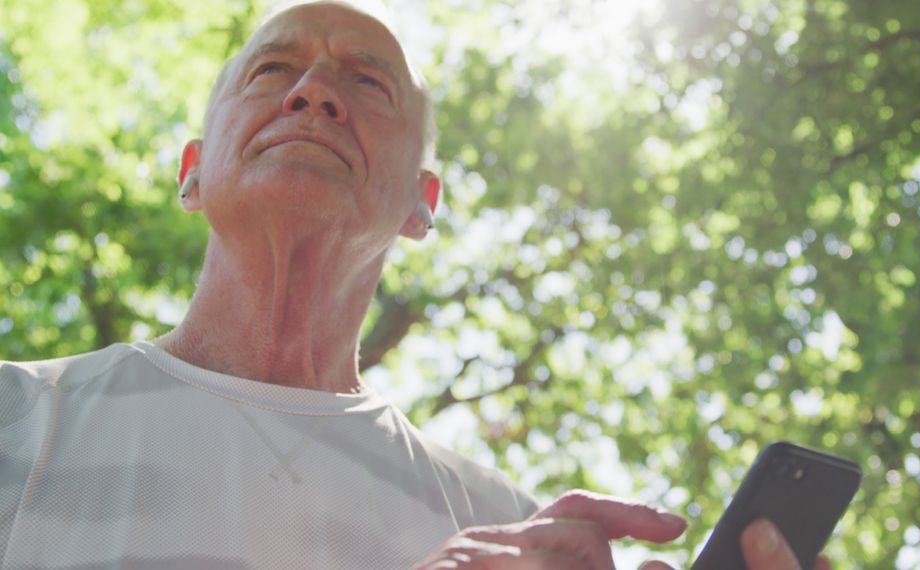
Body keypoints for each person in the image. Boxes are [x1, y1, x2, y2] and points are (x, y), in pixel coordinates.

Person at [0, 1, 829, 568]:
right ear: (190, 174)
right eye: (271, 71)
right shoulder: (17, 422)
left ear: (420, 206)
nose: (313, 92)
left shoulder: (506, 518)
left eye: (367, 83)